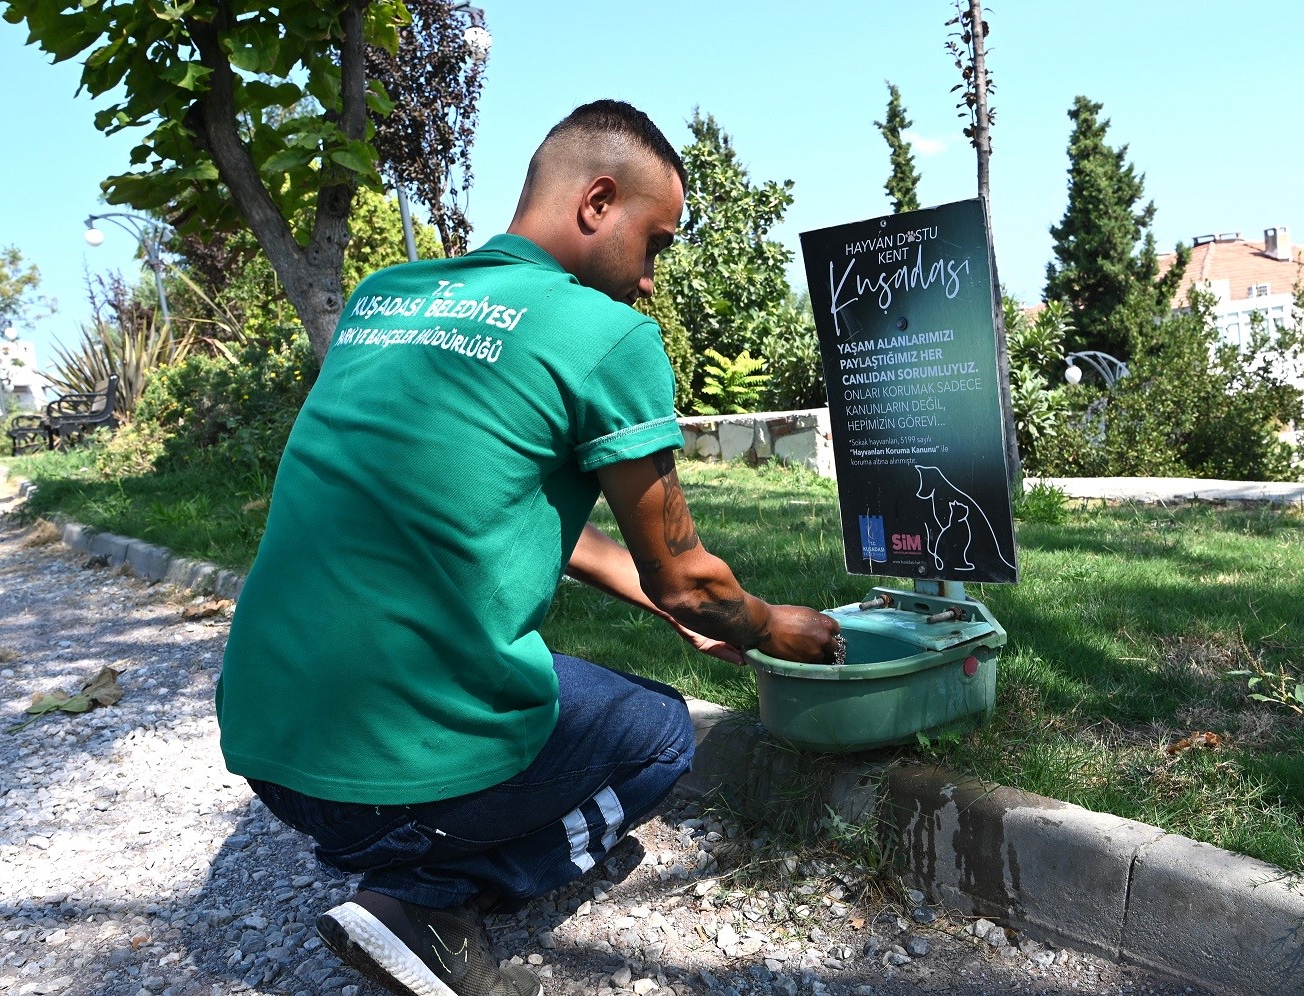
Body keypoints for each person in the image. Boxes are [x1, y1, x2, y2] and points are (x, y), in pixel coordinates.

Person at [215, 99, 841, 996]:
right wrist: (773, 627)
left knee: (543, 680)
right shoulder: (606, 334)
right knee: (659, 735)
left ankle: (402, 850)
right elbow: (695, 581)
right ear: (597, 203)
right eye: (656, 242)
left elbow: (474, 503)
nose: (653, 280)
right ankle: (427, 898)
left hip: (268, 747)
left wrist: (656, 599)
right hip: (385, 784)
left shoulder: (382, 296)